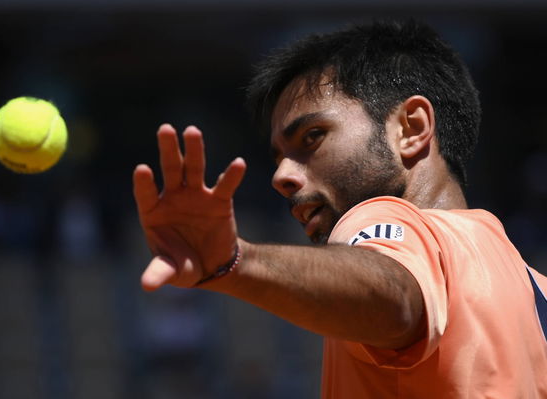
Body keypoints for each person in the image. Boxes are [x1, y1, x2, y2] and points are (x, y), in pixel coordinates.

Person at [133, 20, 547, 398]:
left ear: (412, 128)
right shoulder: (535, 289)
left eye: (312, 137)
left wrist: (236, 261)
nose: (281, 176)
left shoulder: (384, 218)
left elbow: (396, 296)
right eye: (277, 158)